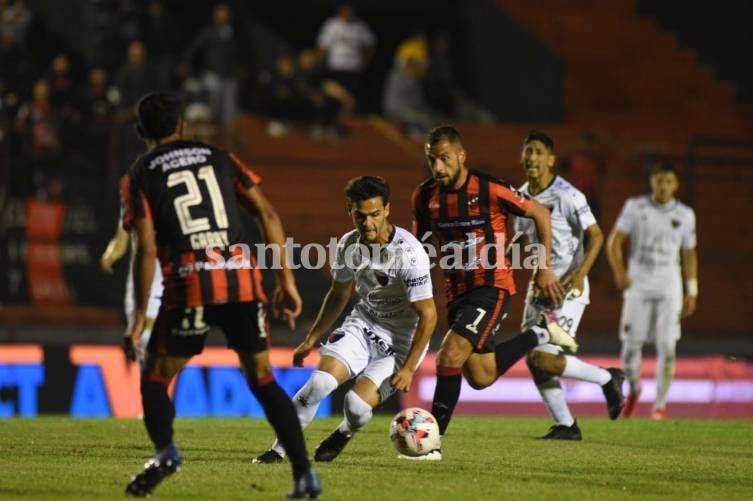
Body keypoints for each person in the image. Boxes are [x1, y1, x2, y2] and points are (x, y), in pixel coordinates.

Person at [120, 92, 320, 498]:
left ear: (141, 130)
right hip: (242, 281)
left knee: (156, 377)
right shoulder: (219, 157)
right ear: (182, 125)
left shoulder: (139, 174)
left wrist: (139, 316)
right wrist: (286, 281)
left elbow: (145, 247)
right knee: (263, 380)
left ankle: (165, 453)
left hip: (189, 283)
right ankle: (304, 475)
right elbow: (267, 213)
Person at [411, 125, 578, 459]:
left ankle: (430, 442)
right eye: (433, 160)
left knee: (449, 354)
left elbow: (540, 212)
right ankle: (540, 333)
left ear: (461, 156)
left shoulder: (489, 188)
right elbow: (419, 247)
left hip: (492, 287)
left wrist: (542, 266)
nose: (439, 167)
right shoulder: (424, 196)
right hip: (456, 292)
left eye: (445, 159)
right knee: (481, 376)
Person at [253, 176, 437, 464]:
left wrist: (411, 367)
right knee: (318, 385)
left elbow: (429, 315)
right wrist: (311, 338)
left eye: (375, 214)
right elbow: (338, 295)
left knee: (354, 404)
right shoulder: (349, 245)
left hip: (402, 341)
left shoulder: (410, 254)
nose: (367, 223)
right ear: (349, 210)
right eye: (360, 215)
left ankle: (346, 430)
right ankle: (279, 450)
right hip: (364, 324)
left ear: (387, 209)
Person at [513, 130, 624, 440]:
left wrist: (580, 273)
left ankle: (608, 377)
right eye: (528, 151)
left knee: (539, 357)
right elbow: (521, 242)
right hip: (538, 291)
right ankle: (566, 425)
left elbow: (597, 235)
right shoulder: (520, 196)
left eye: (538, 152)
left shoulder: (568, 194)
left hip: (566, 289)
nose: (532, 157)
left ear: (551, 159)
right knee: (535, 360)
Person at [606, 161, 698, 420]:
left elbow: (690, 254)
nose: (664, 186)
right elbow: (614, 241)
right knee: (630, 347)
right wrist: (619, 272)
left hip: (670, 285)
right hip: (639, 284)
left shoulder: (686, 214)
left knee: (667, 346)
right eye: (659, 180)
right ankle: (634, 389)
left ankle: (659, 405)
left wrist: (692, 289)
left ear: (676, 185)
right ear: (652, 182)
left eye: (669, 181)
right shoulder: (636, 207)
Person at [100, 223, 163, 368]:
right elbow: (125, 225)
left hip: (162, 274)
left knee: (149, 338)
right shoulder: (133, 201)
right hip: (144, 277)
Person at [315, 3, 375, 106]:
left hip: (353, 68)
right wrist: (320, 64)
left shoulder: (360, 26)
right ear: (341, 11)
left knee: (350, 99)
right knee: (334, 97)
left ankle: (346, 120)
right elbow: (323, 46)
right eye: (346, 10)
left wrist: (364, 62)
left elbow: (370, 45)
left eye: (350, 11)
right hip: (335, 68)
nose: (348, 13)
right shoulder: (332, 25)